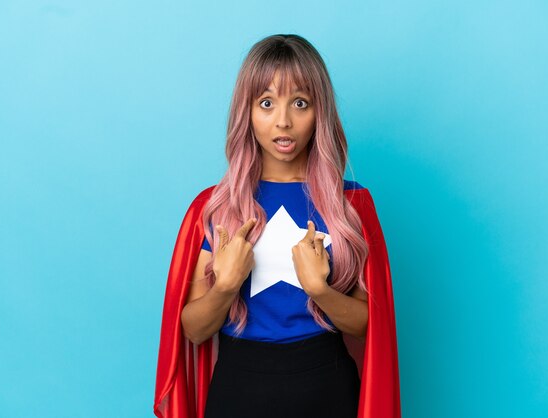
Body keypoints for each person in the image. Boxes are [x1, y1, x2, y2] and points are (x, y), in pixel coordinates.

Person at [154, 34, 401, 418]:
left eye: (300, 103)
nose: (283, 121)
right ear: (247, 112)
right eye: (266, 103)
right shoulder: (214, 207)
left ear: (319, 112)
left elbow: (370, 325)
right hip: (238, 390)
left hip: (328, 389)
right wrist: (225, 286)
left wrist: (320, 289)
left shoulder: (351, 204)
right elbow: (193, 330)